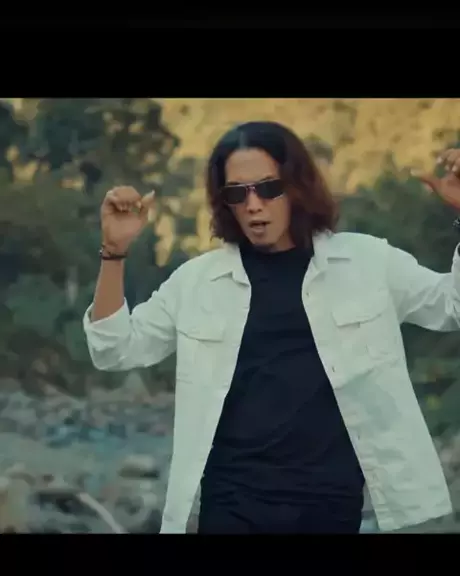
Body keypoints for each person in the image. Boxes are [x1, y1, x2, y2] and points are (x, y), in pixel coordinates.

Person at [83, 121, 460, 534]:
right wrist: (114, 252)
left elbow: (451, 308)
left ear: (297, 186)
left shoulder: (367, 262)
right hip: (233, 502)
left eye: (268, 188)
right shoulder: (197, 282)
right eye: (237, 193)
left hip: (330, 503)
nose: (253, 205)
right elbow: (114, 349)